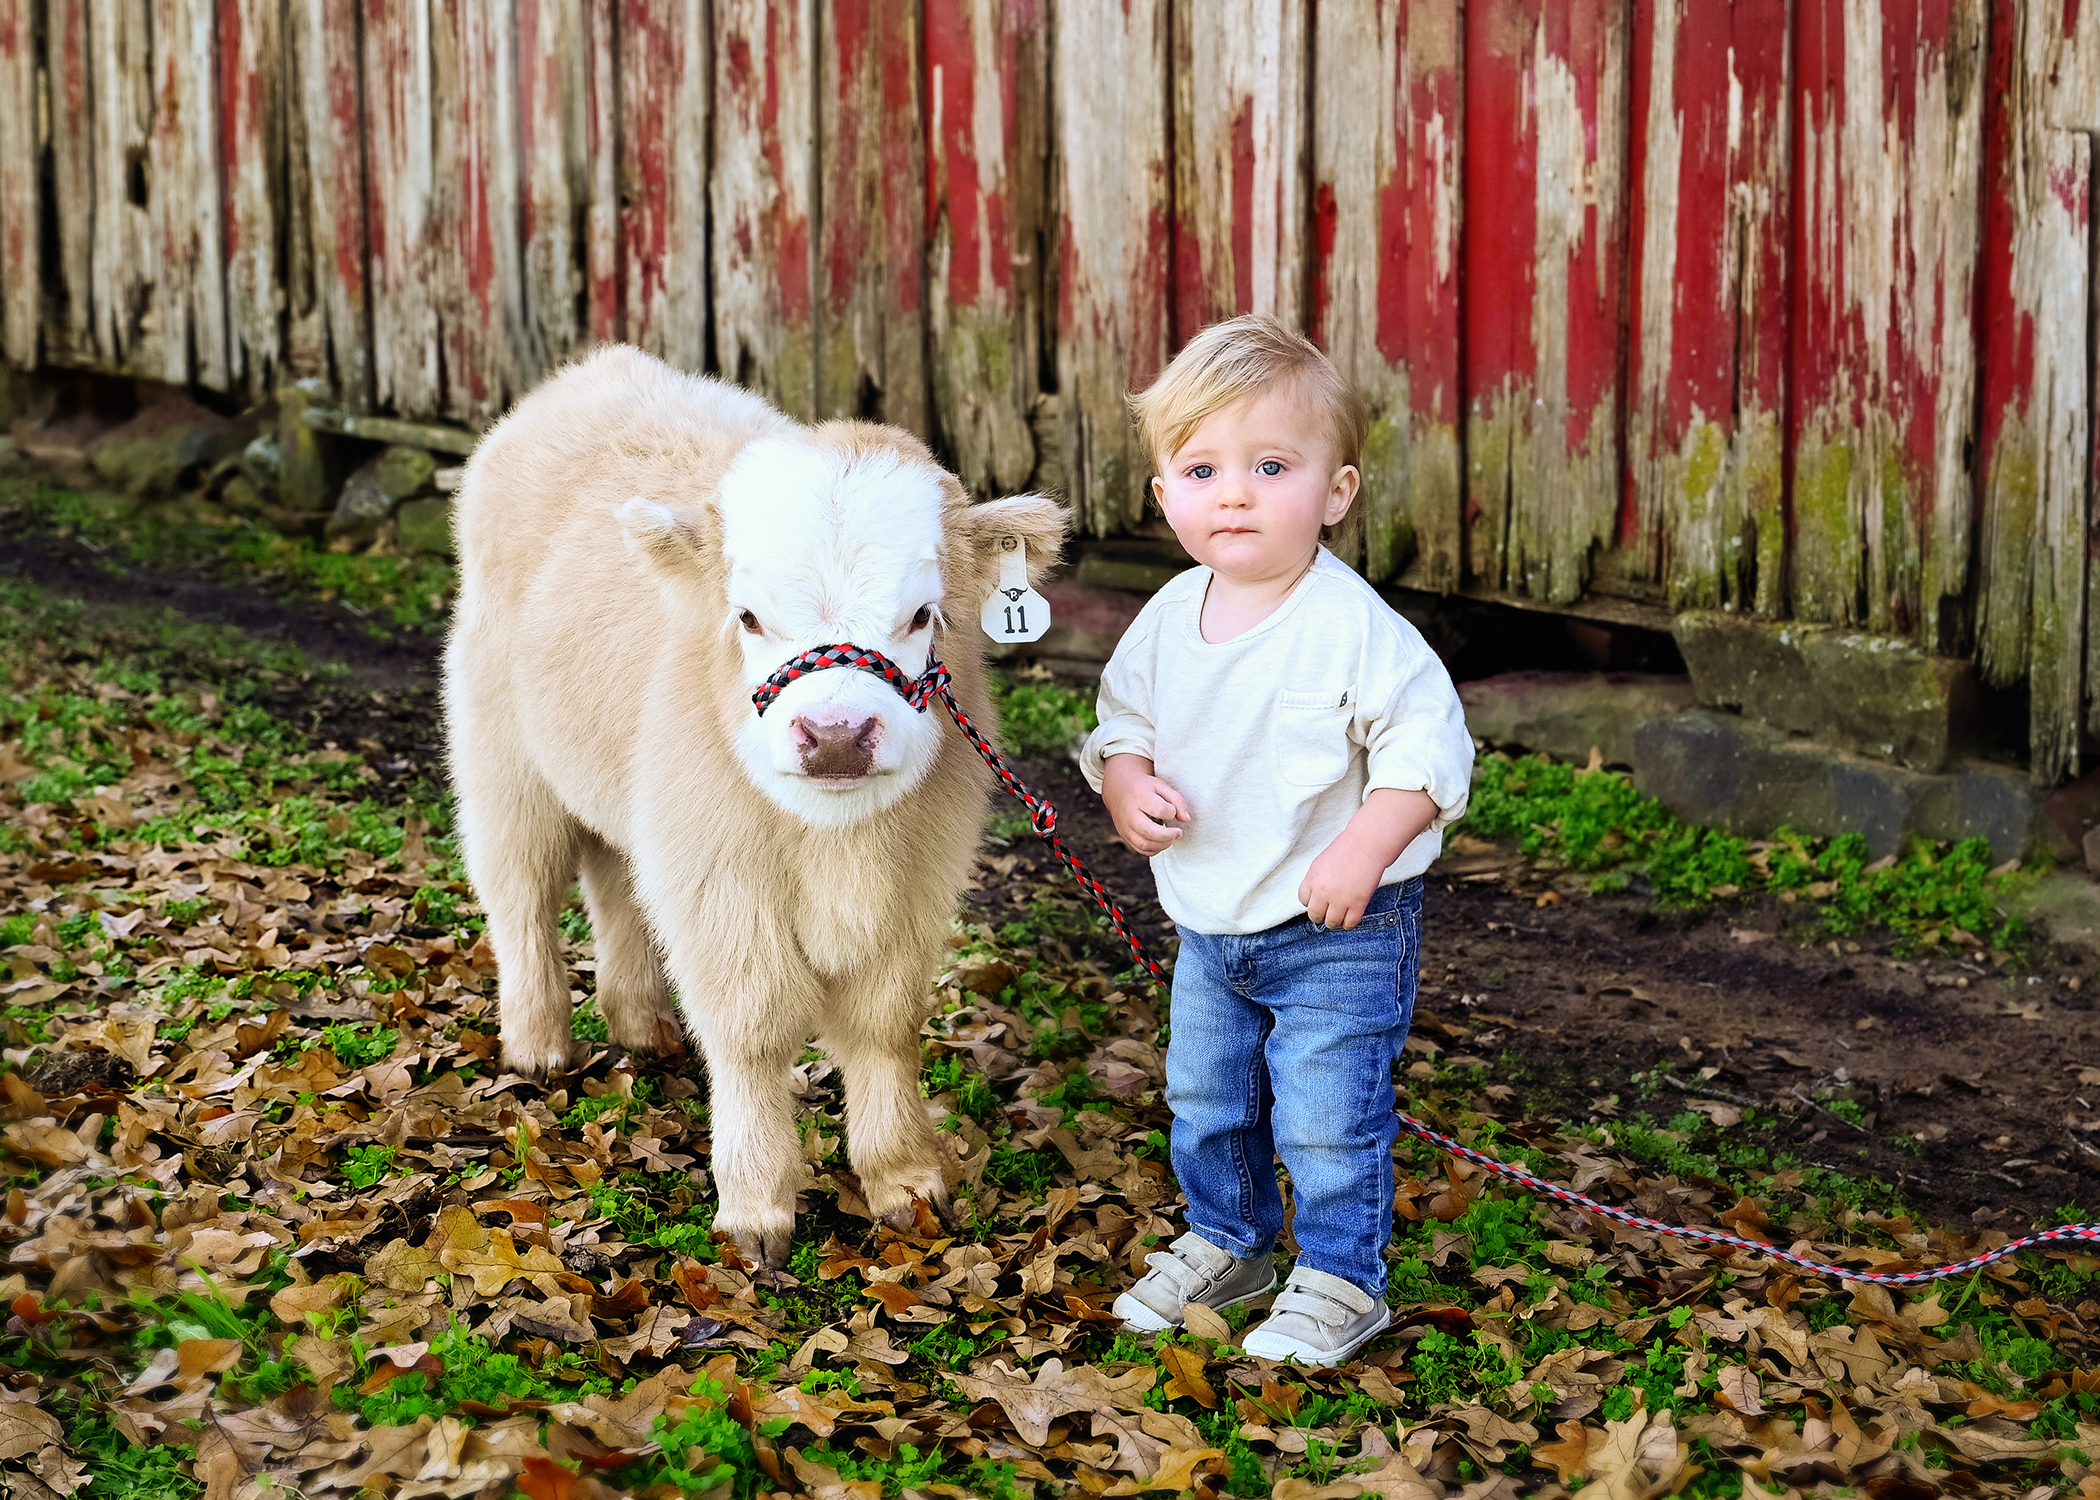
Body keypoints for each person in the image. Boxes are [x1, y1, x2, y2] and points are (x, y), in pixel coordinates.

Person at [1079, 314, 1474, 1365]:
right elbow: (1123, 725)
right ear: (1165, 496)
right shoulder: (1168, 616)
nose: (1236, 493)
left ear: (1335, 493)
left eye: (1270, 465)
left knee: (1327, 1115)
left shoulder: (1353, 627)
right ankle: (1233, 1238)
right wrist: (1126, 783)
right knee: (1206, 1096)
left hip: (1340, 923)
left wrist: (1365, 845)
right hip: (1213, 920)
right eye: (1202, 468)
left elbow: (1427, 753)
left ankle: (1343, 1276)